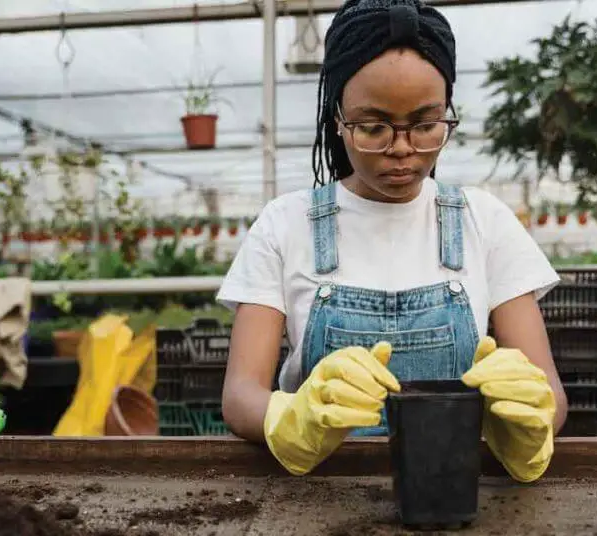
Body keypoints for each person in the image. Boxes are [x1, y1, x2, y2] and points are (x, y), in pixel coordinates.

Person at [215, 0, 568, 483]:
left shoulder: (483, 221)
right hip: (322, 495)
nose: (402, 149)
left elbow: (549, 391)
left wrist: (528, 418)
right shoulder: (285, 224)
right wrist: (289, 417)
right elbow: (240, 394)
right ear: (337, 118)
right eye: (373, 127)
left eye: (425, 126)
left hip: (454, 488)